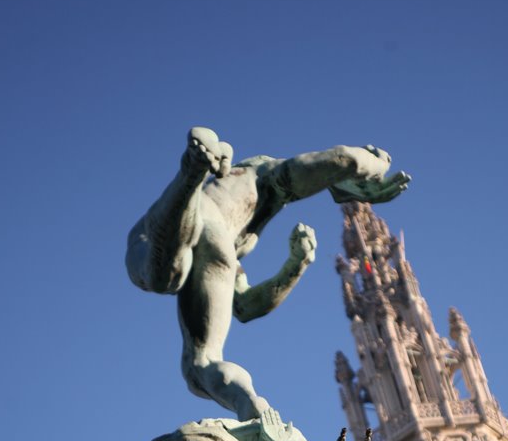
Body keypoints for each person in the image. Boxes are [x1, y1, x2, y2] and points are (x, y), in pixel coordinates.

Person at [126, 127, 410, 419]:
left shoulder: (245, 217)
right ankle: (250, 405)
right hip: (195, 231)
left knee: (168, 281)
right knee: (201, 360)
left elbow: (245, 306)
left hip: (192, 232)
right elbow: (342, 158)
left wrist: (294, 265)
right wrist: (374, 164)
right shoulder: (261, 175)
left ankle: (191, 173)